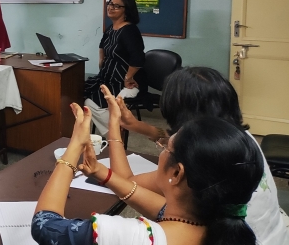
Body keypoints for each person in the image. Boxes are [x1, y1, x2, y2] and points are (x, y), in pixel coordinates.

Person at [32, 102, 264, 245]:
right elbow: (165, 210)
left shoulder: (133, 237)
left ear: (176, 173)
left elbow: (44, 226)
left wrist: (75, 146)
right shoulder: (219, 223)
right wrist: (103, 173)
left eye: (165, 147)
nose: (162, 150)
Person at [108, 67, 289, 244]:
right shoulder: (238, 139)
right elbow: (176, 139)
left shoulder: (202, 160)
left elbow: (124, 181)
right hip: (276, 234)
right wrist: (136, 125)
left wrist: (114, 126)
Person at [83, 0, 145, 136]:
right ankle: (114, 132)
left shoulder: (129, 30)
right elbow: (102, 46)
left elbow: (138, 58)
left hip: (127, 81)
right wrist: (102, 64)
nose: (111, 8)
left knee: (95, 102)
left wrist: (128, 78)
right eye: (110, 4)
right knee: (83, 95)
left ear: (126, 10)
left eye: (116, 6)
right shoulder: (111, 28)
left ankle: (116, 133)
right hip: (109, 78)